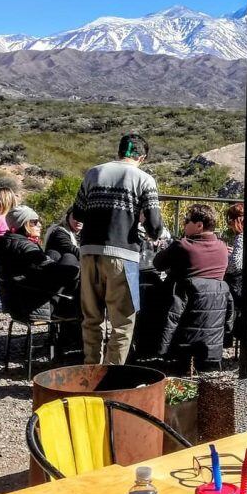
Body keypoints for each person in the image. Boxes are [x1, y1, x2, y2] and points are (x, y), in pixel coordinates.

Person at [74, 133, 163, 365]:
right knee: (123, 322)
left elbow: (78, 214)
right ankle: (111, 378)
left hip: (88, 251)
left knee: (91, 318)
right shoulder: (144, 180)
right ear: (142, 157)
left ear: (119, 152)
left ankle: (89, 371)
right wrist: (152, 233)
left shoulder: (93, 173)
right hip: (123, 256)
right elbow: (154, 225)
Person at [0, 206, 80, 319]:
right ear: (23, 224)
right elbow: (50, 271)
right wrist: (80, 270)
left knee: (55, 254)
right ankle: (72, 326)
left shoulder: (6, 242)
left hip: (16, 303)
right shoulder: (25, 247)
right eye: (34, 222)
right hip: (32, 306)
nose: (39, 225)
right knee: (72, 263)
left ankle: (65, 329)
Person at [153, 204, 228, 282]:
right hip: (215, 293)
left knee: (148, 279)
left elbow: (158, 264)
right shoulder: (223, 247)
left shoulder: (183, 246)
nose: (184, 225)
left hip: (182, 293)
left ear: (199, 225)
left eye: (187, 221)